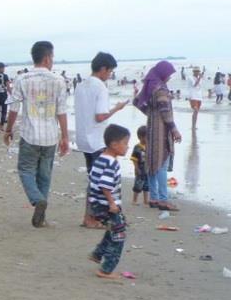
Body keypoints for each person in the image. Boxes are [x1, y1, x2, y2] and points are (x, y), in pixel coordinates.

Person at [4, 41, 69, 228]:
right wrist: (65, 137)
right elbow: (62, 111)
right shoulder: (59, 80)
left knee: (25, 170)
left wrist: (8, 130)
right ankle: (41, 215)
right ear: (47, 58)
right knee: (44, 176)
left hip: (30, 134)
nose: (52, 61)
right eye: (52, 57)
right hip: (50, 136)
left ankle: (36, 199)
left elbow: (14, 108)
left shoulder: (22, 79)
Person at [74, 52, 127, 228]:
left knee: (94, 178)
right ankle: (93, 217)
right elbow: (100, 116)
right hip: (97, 139)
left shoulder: (80, 85)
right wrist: (117, 108)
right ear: (103, 68)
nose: (109, 75)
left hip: (83, 137)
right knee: (101, 181)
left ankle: (93, 217)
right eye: (110, 71)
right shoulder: (100, 87)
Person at [133, 60, 182, 212]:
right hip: (162, 131)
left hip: (151, 129)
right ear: (163, 73)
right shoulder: (161, 89)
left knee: (152, 164)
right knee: (162, 164)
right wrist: (174, 129)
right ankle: (163, 200)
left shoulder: (151, 87)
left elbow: (137, 102)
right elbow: (165, 112)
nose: (169, 77)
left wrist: (151, 114)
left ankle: (153, 198)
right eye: (169, 74)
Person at [87, 124, 130, 280]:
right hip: (106, 205)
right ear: (114, 144)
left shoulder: (101, 158)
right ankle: (106, 270)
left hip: (97, 204)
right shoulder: (112, 163)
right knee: (119, 235)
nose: (127, 146)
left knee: (114, 228)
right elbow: (105, 185)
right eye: (125, 143)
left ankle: (98, 253)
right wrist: (112, 203)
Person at [131, 126, 149, 206]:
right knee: (138, 185)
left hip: (147, 170)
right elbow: (134, 159)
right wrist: (136, 168)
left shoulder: (149, 147)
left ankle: (146, 200)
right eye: (146, 137)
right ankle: (134, 200)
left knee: (146, 186)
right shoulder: (137, 147)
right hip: (140, 169)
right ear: (140, 137)